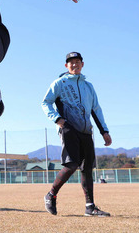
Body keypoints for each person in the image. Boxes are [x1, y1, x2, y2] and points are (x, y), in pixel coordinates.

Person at [41, 52, 112, 217]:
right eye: (71, 62)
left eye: (77, 62)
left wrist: (104, 131)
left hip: (86, 130)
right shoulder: (60, 82)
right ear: (66, 66)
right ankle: (51, 195)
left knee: (87, 168)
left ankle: (90, 207)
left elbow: (96, 110)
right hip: (68, 127)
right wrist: (57, 118)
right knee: (71, 164)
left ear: (82, 64)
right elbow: (45, 102)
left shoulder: (89, 86)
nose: (74, 65)